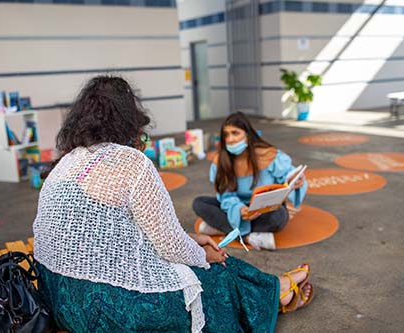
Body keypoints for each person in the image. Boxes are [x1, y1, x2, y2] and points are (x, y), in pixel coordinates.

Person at [33, 75, 314, 332]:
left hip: (60, 298)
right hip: (111, 311)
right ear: (128, 118)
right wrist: (202, 254)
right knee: (216, 272)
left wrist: (192, 239)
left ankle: (277, 288)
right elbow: (171, 246)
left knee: (203, 257)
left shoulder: (67, 162)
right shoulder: (131, 162)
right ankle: (278, 290)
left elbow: (114, 233)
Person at [193, 112, 307, 250]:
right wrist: (240, 210)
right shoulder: (222, 160)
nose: (230, 139)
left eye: (235, 133)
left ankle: (223, 228)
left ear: (247, 134)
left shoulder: (267, 154)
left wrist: (294, 180)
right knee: (199, 203)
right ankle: (249, 237)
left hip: (263, 211)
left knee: (279, 216)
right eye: (226, 135)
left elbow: (288, 175)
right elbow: (226, 196)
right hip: (236, 208)